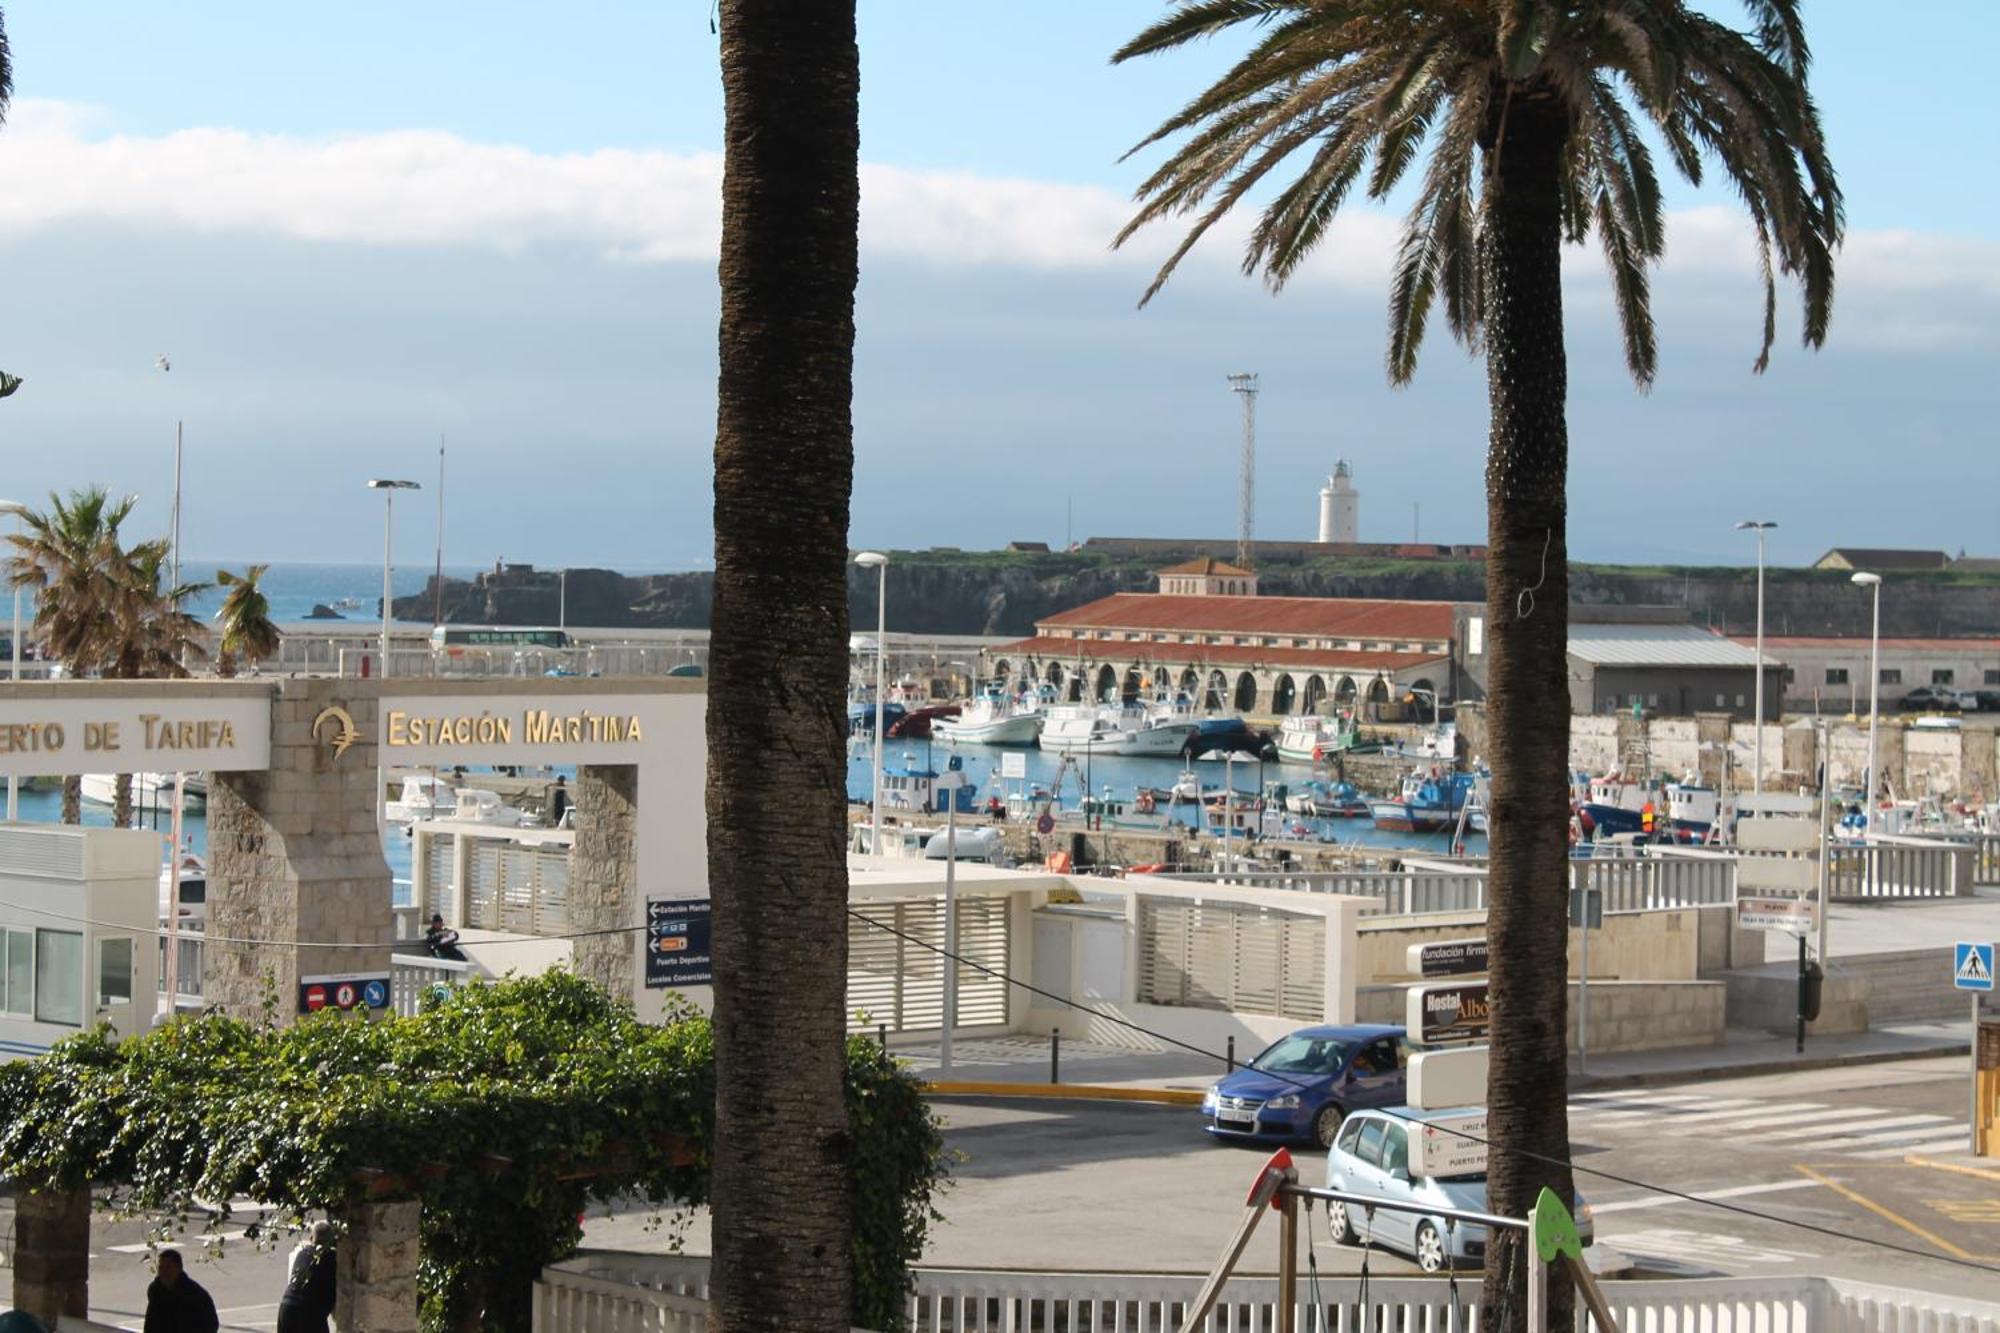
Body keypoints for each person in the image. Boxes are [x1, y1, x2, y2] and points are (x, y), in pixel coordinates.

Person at [277, 1221, 337, 1333]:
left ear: (311, 1238)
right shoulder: (331, 1258)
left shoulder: (303, 1253)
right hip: (308, 1313)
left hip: (287, 1307)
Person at [143, 1249, 219, 1333]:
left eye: (168, 1267)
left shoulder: (195, 1295)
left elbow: (211, 1325)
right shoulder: (155, 1290)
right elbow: (150, 1322)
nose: (164, 1272)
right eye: (161, 1267)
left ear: (179, 1268)